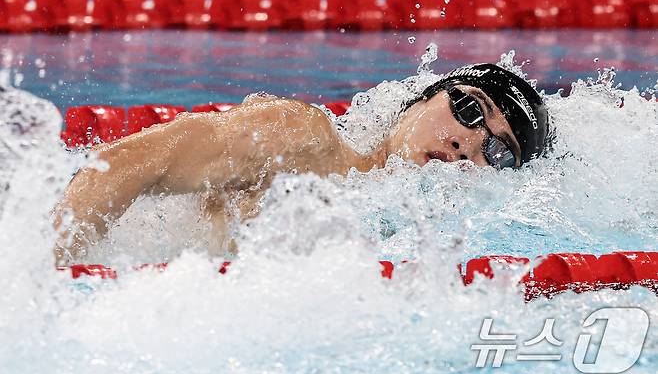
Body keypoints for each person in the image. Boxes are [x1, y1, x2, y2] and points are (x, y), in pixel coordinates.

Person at [53, 63, 549, 265]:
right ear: (420, 100)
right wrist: (47, 279)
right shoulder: (303, 140)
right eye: (468, 110)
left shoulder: (438, 246)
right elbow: (126, 165)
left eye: (500, 152)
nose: (469, 144)